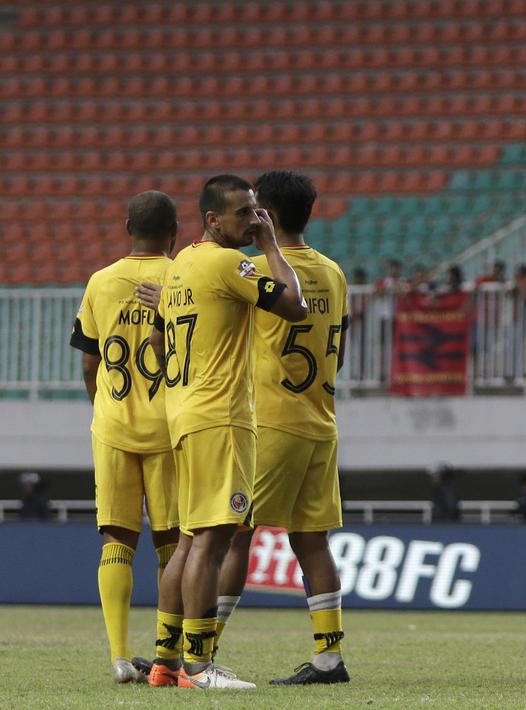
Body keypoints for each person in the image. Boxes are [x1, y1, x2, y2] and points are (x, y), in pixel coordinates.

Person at [144, 175, 307, 690]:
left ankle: (165, 663)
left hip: (185, 413)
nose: (254, 220)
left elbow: (159, 339)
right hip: (221, 416)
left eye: (257, 211)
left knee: (192, 539)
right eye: (243, 213)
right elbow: (295, 305)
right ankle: (198, 665)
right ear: (212, 220)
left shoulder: (183, 265)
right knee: (212, 541)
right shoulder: (225, 262)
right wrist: (271, 245)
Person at [208, 171, 352, 685]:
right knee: (312, 541)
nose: (247, 218)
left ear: (264, 213)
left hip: (270, 421)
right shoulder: (334, 273)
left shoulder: (253, 268)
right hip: (320, 419)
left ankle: (201, 651)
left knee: (231, 535)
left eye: (252, 210)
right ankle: (329, 658)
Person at [69, 190, 181, 684]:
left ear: (125, 227)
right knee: (172, 542)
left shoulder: (100, 281)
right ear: (175, 232)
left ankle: (119, 655)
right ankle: (166, 655)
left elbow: (90, 361)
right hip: (171, 425)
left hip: (113, 425)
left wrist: (104, 405)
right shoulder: (181, 279)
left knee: (116, 537)